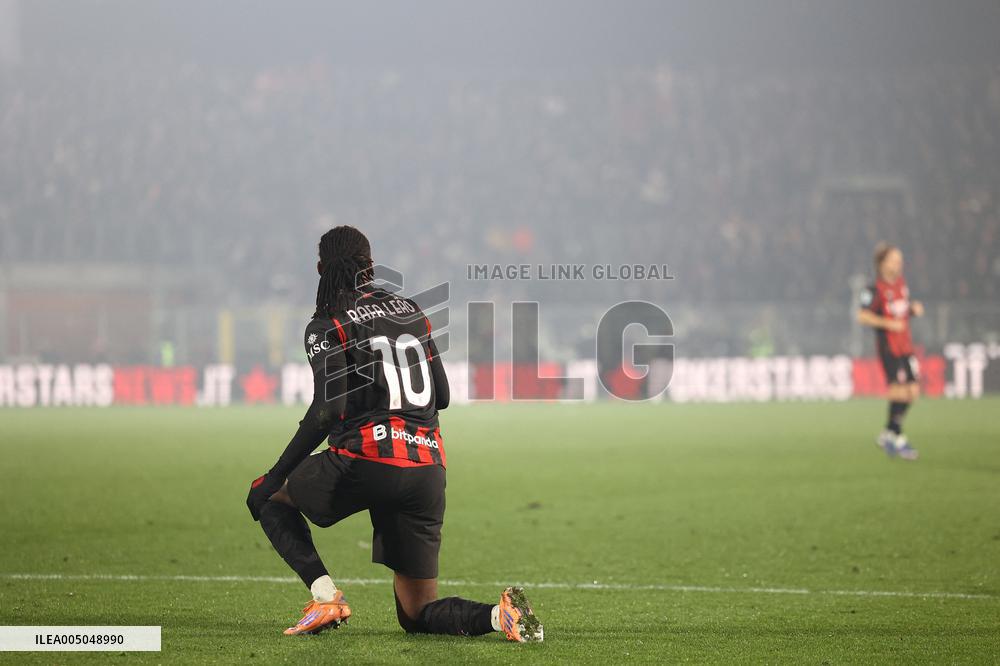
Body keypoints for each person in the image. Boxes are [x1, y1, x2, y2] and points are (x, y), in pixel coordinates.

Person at [246, 226, 543, 641]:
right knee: (417, 613)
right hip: (426, 469)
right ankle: (500, 616)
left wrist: (277, 473)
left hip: (366, 459)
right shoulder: (409, 309)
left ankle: (325, 596)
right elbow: (443, 395)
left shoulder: (326, 322)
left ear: (320, 269)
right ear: (370, 266)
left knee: (268, 497)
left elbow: (328, 410)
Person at [857, 242, 924, 460]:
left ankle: (888, 432)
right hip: (889, 346)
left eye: (900, 260)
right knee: (897, 390)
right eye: (895, 260)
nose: (899, 264)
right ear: (883, 264)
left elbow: (901, 313)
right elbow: (862, 316)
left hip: (906, 345)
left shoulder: (901, 285)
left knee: (913, 391)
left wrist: (912, 310)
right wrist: (889, 324)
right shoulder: (873, 290)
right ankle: (898, 437)